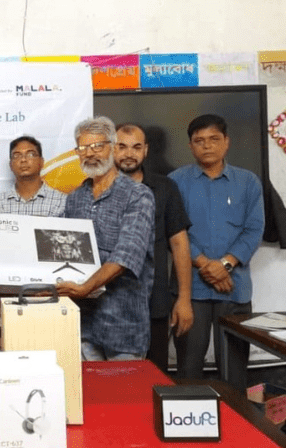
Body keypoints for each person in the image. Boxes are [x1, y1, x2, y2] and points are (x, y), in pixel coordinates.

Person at [168, 114, 264, 391]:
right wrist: (206, 265)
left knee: (234, 373)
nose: (207, 146)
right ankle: (188, 429)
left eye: (214, 139)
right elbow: (175, 233)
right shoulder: (175, 182)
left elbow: (254, 230)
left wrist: (225, 264)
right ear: (190, 146)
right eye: (199, 141)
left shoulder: (248, 183)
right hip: (190, 292)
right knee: (187, 369)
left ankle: (237, 429)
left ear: (226, 142)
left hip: (234, 290)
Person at [56, 116, 155, 361]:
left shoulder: (138, 195)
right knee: (87, 396)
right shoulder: (75, 198)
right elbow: (61, 250)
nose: (90, 154)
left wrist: (85, 288)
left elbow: (126, 255)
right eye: (83, 148)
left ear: (113, 147)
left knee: (123, 397)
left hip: (124, 325)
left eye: (97, 146)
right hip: (83, 325)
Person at [115, 123, 193, 373]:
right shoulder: (95, 189)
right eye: (122, 147)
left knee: (155, 376)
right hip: (109, 303)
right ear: (110, 149)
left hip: (154, 303)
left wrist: (184, 299)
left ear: (146, 151)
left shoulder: (165, 187)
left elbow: (179, 243)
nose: (129, 153)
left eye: (136, 147)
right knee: (113, 380)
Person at [0, 136, 67, 217]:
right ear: (11, 165)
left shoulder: (61, 201)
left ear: (41, 162)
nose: (23, 159)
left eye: (31, 154)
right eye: (17, 155)